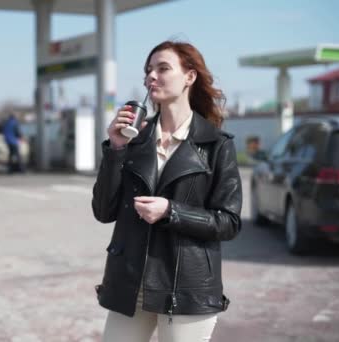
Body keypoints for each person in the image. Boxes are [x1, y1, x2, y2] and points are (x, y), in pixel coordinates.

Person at [92, 40, 242, 342]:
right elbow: (104, 211)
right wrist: (115, 150)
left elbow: (228, 221)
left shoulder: (217, 145)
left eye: (163, 68)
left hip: (186, 287)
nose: (151, 76)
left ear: (189, 77)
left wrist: (170, 211)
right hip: (130, 282)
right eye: (149, 70)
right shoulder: (133, 140)